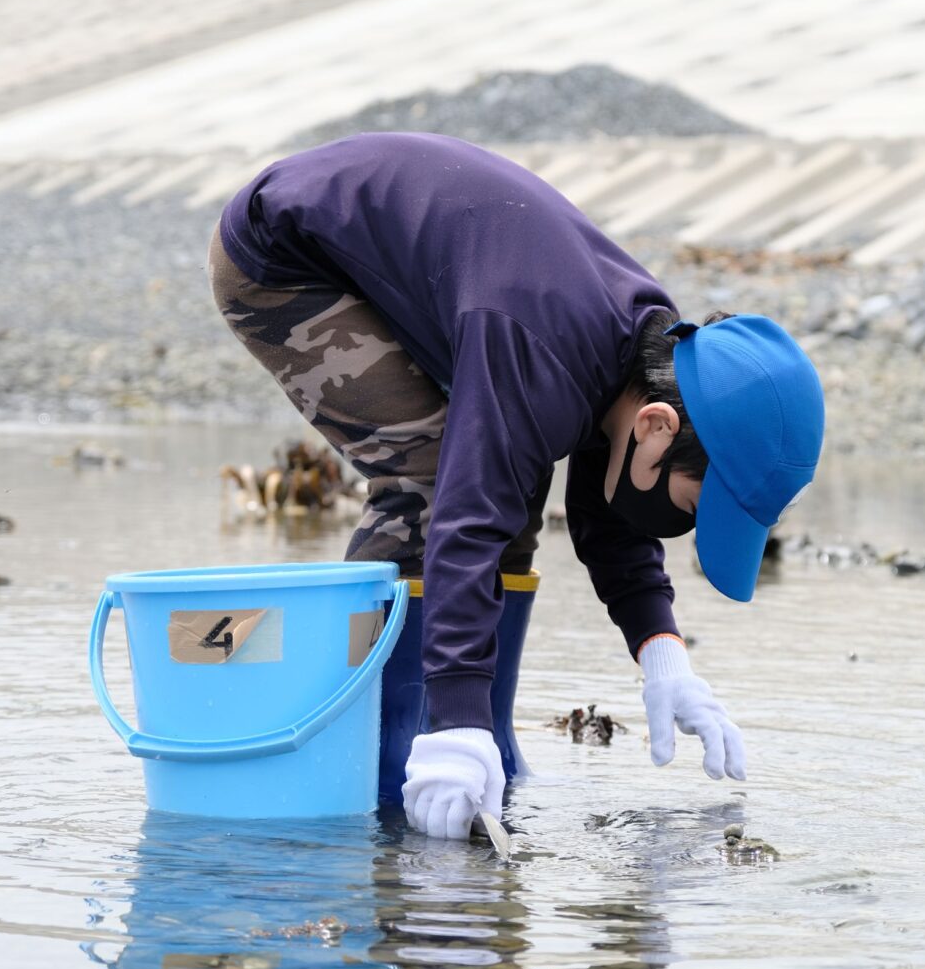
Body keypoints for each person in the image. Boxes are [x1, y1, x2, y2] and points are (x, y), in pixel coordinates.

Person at [208, 132, 825, 840]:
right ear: (657, 427)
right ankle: (391, 761)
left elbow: (611, 513)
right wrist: (455, 725)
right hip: (285, 252)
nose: (679, 525)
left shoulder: (647, 366)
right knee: (432, 479)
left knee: (513, 498)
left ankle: (487, 742)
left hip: (432, 272)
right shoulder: (539, 340)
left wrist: (662, 652)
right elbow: (466, 521)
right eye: (691, 505)